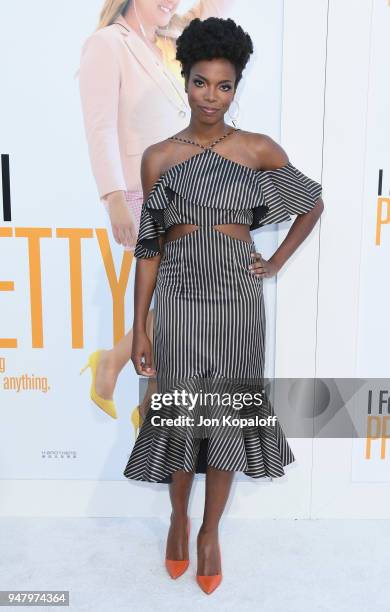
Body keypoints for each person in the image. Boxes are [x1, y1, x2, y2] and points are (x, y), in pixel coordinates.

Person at [123, 16, 324, 594]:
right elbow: (148, 248)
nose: (212, 96)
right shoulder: (159, 156)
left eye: (225, 85)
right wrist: (140, 328)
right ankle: (178, 520)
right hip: (181, 303)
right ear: (184, 81)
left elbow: (310, 202)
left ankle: (210, 530)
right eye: (201, 82)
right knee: (184, 417)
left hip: (238, 303)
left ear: (237, 87)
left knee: (227, 420)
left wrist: (277, 262)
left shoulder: (256, 149)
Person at [78, 0, 242, 432]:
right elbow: (99, 127)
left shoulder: (166, 43)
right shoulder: (107, 45)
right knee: (171, 301)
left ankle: (119, 372)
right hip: (140, 190)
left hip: (186, 191)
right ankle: (144, 398)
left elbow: (210, 10)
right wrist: (112, 196)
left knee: (171, 303)